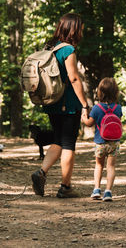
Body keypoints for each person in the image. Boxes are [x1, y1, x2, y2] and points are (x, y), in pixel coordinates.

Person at [31, 13, 89, 198]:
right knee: (69, 144)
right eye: (80, 27)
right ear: (74, 29)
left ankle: (41, 172)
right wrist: (85, 104)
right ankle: (66, 187)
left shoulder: (49, 47)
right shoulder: (68, 50)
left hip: (52, 102)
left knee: (58, 139)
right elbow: (73, 78)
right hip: (68, 103)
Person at [81, 77, 122, 201]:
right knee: (111, 167)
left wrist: (84, 116)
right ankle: (108, 192)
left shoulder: (97, 108)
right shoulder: (118, 108)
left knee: (99, 165)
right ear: (115, 92)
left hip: (100, 142)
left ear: (100, 92)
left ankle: (97, 190)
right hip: (114, 142)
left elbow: (89, 123)